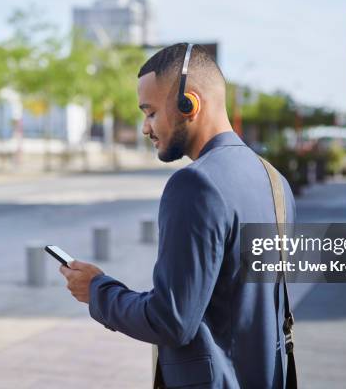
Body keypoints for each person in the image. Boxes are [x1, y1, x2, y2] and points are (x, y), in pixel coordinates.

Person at [59, 43, 296, 388]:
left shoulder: (196, 184)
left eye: (150, 112)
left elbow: (170, 321)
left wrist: (96, 289)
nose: (145, 127)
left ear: (189, 104)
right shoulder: (276, 182)